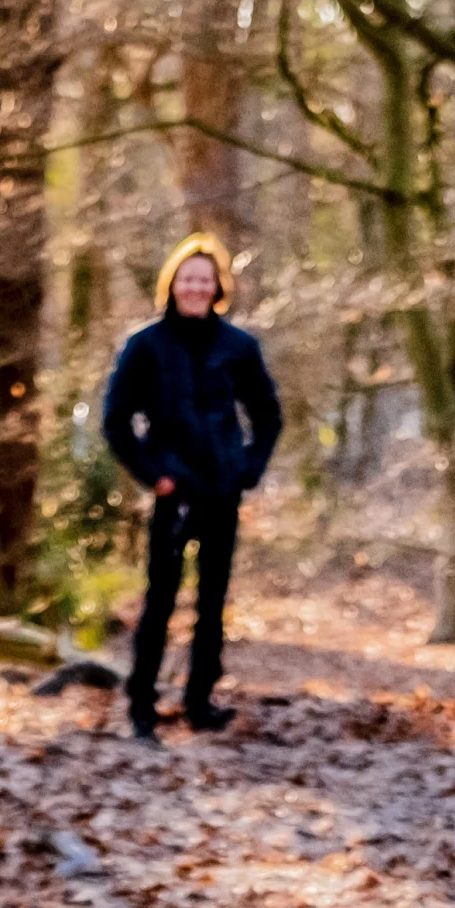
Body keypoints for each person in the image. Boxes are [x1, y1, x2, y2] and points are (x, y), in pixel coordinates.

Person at [101, 235, 280, 741]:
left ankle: (200, 702)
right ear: (173, 284)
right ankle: (141, 706)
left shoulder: (239, 348)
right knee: (159, 601)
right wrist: (153, 475)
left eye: (205, 279)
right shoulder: (145, 346)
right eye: (188, 278)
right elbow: (115, 422)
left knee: (213, 602)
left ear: (218, 286)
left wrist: (247, 469)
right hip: (172, 493)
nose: (196, 287)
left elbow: (267, 416)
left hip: (223, 490)